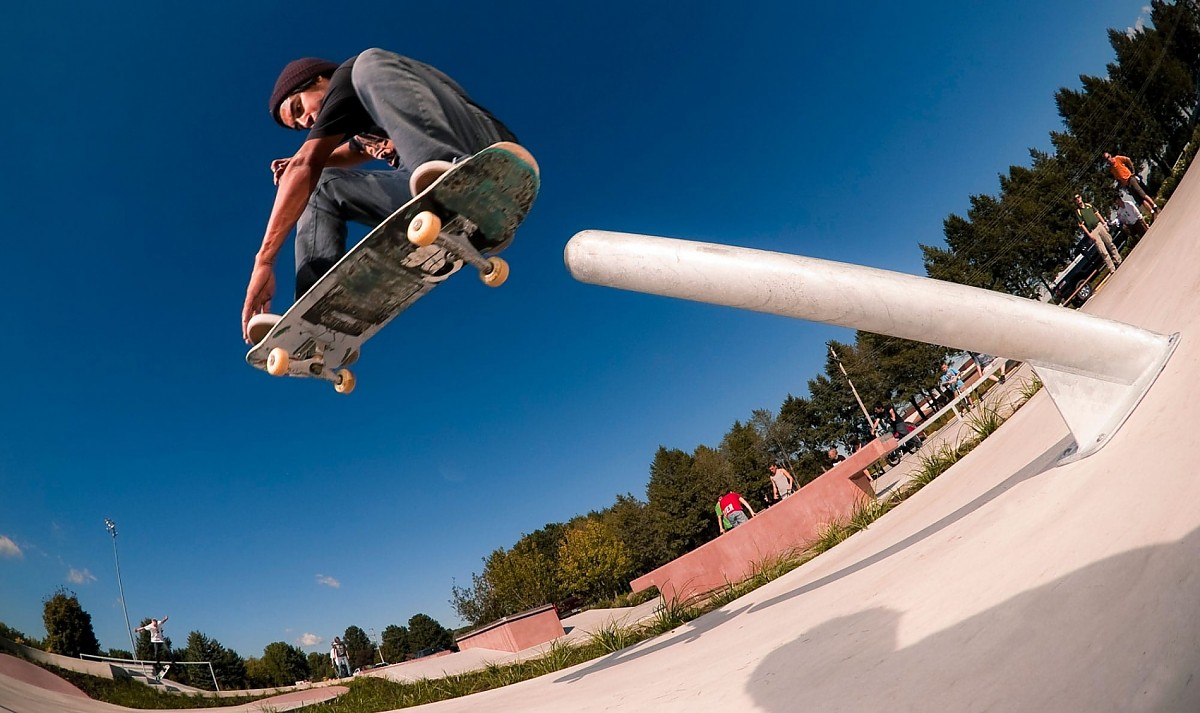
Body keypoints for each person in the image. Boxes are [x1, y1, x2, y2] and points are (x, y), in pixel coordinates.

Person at [242, 49, 524, 343]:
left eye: (299, 109)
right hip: (427, 187)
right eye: (298, 126)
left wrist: (264, 261)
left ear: (319, 80)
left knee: (368, 61)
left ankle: (453, 178)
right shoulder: (361, 126)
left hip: (483, 151)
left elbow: (307, 163)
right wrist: (315, 160)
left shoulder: (353, 78)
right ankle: (315, 309)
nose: (307, 123)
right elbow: (353, 152)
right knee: (322, 186)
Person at [1073, 194, 1122, 273]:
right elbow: (1082, 225)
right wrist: (1089, 235)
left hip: (1099, 225)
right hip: (1093, 231)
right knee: (1102, 250)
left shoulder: (1089, 205)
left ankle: (1118, 260)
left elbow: (1097, 213)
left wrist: (1104, 223)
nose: (1078, 199)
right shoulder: (1078, 212)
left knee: (1110, 243)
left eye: (1078, 197)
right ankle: (1112, 268)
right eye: (1076, 199)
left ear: (1081, 197)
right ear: (1075, 201)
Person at [1104, 152, 1158, 217]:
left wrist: (1133, 170)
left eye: (1108, 157)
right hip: (1127, 185)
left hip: (1131, 179)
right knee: (1140, 201)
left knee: (1142, 194)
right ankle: (1152, 212)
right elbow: (1117, 178)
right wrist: (1122, 184)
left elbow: (1128, 159)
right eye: (1106, 159)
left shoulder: (1117, 158)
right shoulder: (1112, 169)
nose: (1108, 159)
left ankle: (1155, 207)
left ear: (1110, 155)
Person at [134, 616, 172, 681]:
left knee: (167, 650)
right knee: (156, 653)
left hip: (161, 641)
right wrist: (137, 630)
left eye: (155, 625)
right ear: (152, 623)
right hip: (154, 641)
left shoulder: (159, 623)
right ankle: (158, 665)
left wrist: (165, 619)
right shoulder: (150, 626)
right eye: (154, 625)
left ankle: (172, 661)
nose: (155, 626)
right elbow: (143, 628)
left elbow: (162, 621)